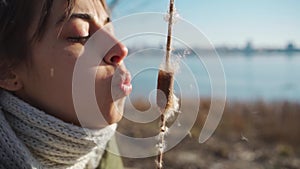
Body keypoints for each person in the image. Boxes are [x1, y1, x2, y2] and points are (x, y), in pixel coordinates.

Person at [0, 0, 132, 168]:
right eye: (80, 35)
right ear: (7, 70)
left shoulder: (104, 153)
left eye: (109, 29)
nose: (121, 49)